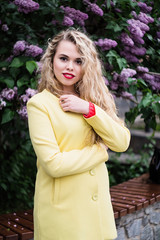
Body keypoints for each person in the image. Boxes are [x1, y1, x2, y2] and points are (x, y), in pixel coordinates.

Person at [27, 28, 131, 240]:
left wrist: (89, 110)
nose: (69, 67)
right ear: (51, 61)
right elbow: (53, 164)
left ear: (87, 66)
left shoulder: (93, 98)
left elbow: (121, 142)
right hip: (64, 217)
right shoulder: (39, 104)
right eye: (63, 58)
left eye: (78, 61)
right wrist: (100, 152)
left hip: (98, 215)